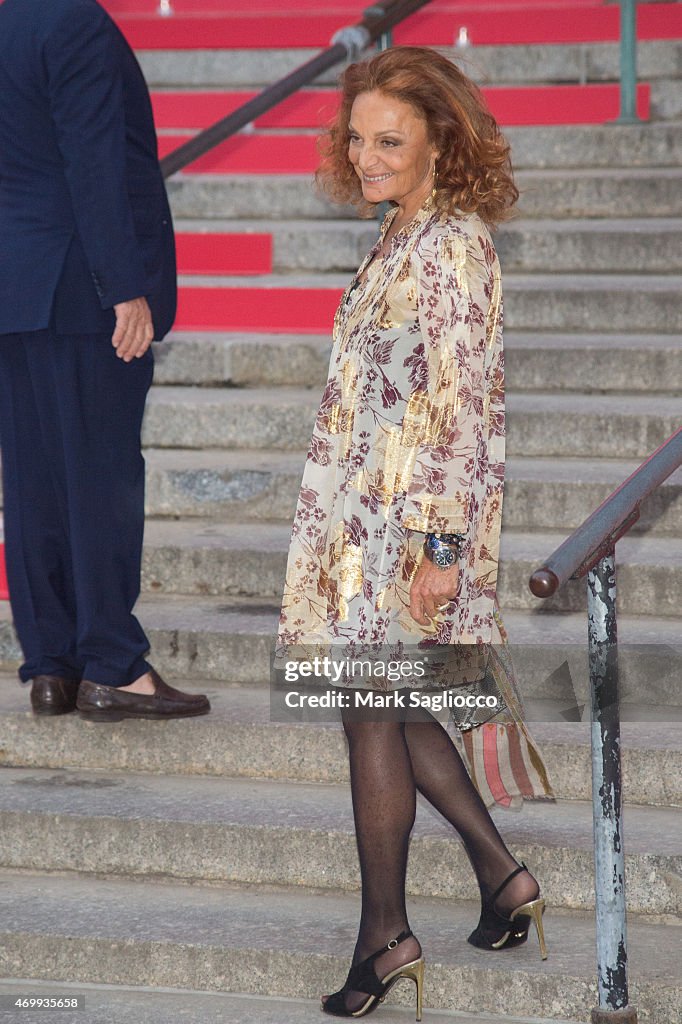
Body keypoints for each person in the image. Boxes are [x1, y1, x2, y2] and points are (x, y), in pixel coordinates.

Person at [276, 46, 554, 1018]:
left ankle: (385, 935)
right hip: (359, 527)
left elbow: (463, 409)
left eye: (389, 139)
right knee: (386, 710)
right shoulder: (398, 233)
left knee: (368, 712)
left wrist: (438, 552)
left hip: (408, 533)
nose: (366, 156)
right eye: (356, 138)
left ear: (443, 138)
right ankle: (501, 876)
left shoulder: (454, 245)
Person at [0, 0, 210, 722]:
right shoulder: (72, 22)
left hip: (13, 283)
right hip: (80, 286)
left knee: (33, 481)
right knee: (99, 478)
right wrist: (125, 288)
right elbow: (93, 158)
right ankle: (114, 664)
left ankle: (52, 666)